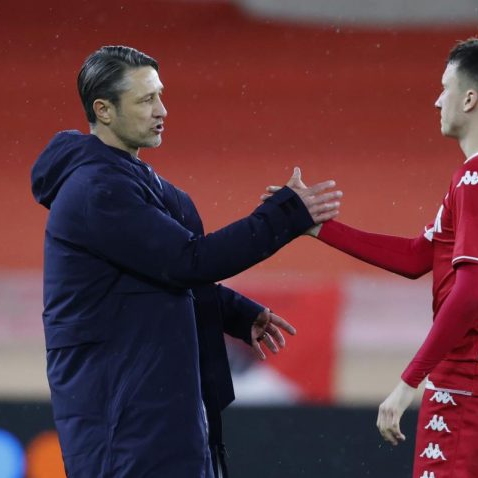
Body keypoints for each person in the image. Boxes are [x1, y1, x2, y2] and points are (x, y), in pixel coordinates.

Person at [30, 45, 342, 478]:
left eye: (159, 95)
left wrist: (231, 311)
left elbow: (157, 276)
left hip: (158, 411)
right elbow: (188, 261)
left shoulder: (138, 182)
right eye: (145, 100)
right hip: (123, 427)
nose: (162, 109)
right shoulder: (96, 190)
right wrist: (284, 215)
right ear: (103, 110)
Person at [267, 35, 478, 477]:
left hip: (471, 389)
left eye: (445, 88)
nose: (438, 101)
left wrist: (408, 382)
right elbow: (419, 256)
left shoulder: (477, 179)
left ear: (471, 99)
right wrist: (319, 227)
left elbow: (471, 293)